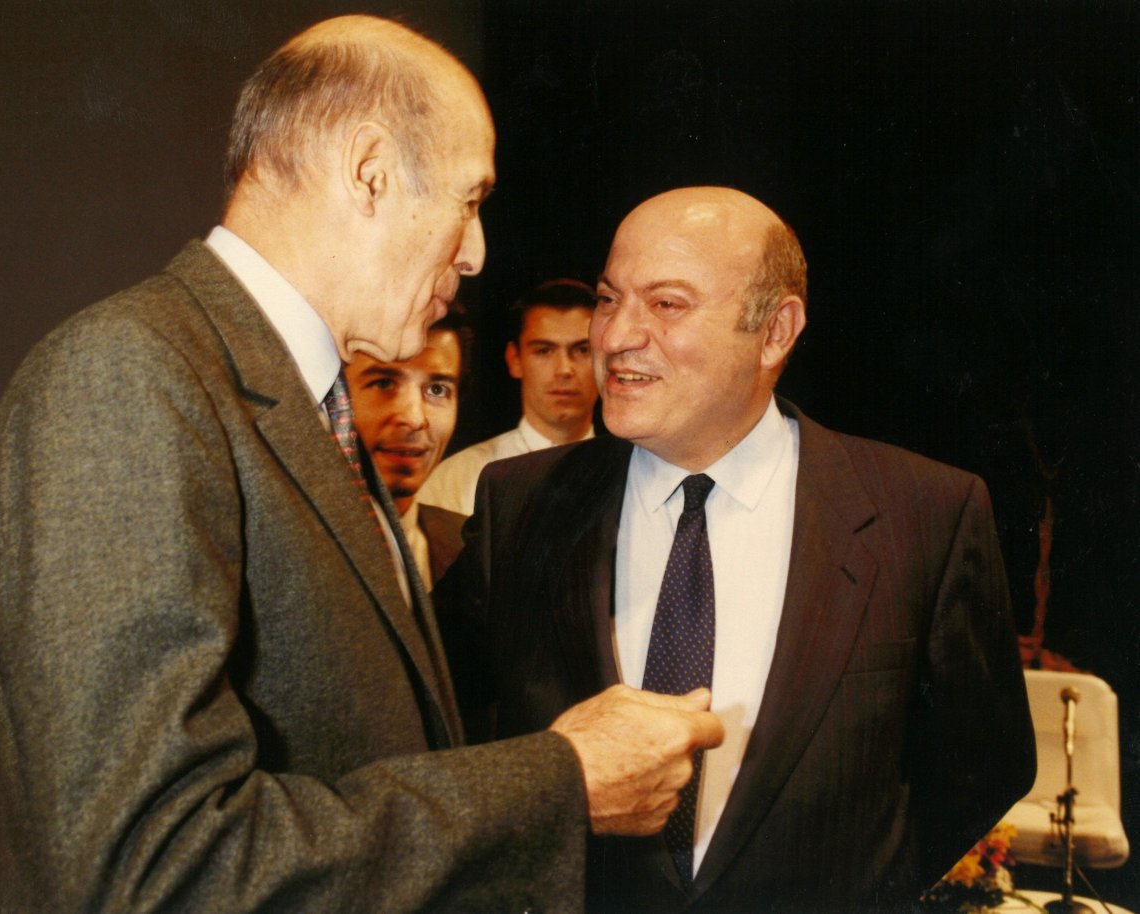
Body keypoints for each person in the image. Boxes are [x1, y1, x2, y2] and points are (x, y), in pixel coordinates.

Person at [0, 17, 722, 913]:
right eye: (469, 199)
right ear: (369, 171)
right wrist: (562, 785)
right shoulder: (124, 377)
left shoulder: (302, 406)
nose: (476, 251)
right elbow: (150, 871)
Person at [437, 186, 1036, 911]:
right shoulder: (520, 503)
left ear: (776, 331)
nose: (615, 336)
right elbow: (433, 729)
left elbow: (986, 767)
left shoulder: (923, 514)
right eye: (608, 299)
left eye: (666, 304)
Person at [419, 278, 597, 515]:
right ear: (515, 360)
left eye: (583, 350)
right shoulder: (456, 480)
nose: (564, 369)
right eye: (543, 350)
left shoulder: (631, 471)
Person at [345, 307, 471, 589]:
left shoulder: (474, 549)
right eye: (384, 383)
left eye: (437, 390)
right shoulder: (288, 546)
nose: (415, 419)